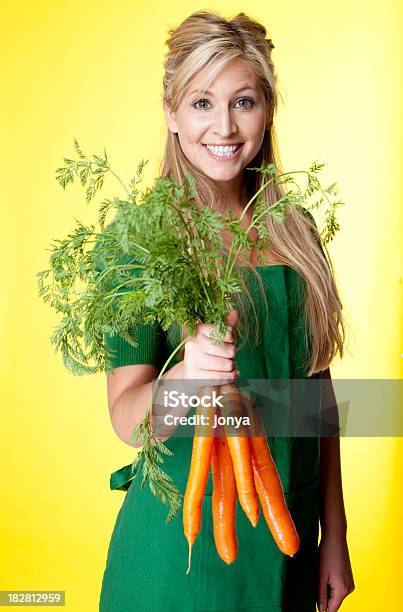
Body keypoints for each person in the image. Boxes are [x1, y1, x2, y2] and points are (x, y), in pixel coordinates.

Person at [99, 10, 355, 612]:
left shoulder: (294, 234)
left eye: (243, 101)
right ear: (171, 113)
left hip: (289, 535)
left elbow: (317, 400)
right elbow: (126, 418)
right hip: (176, 555)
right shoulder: (140, 242)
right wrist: (187, 378)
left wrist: (335, 537)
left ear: (267, 111)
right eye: (201, 103)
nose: (225, 126)